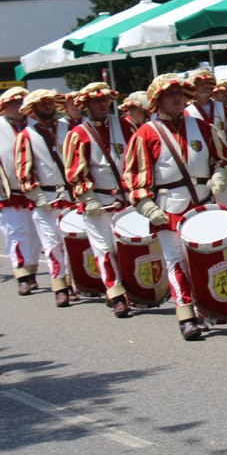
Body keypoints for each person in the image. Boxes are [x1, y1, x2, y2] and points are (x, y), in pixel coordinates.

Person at [122, 74, 227, 340]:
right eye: (170, 95)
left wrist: (219, 174)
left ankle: (208, 307)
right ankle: (186, 315)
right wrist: (146, 205)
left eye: (179, 94)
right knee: (176, 260)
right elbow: (134, 175)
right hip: (167, 207)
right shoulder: (145, 134)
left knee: (205, 258)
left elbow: (222, 159)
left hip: (203, 203)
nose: (176, 99)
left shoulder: (203, 127)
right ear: (157, 101)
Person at [62, 83, 132, 317]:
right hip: (97, 202)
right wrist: (88, 197)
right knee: (103, 249)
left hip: (126, 199)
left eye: (104, 100)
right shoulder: (77, 135)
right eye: (96, 101)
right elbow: (74, 173)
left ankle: (136, 289)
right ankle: (115, 293)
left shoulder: (124, 125)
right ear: (86, 105)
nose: (102, 105)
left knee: (126, 247)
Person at [15, 89, 75, 307]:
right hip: (46, 199)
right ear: (33, 110)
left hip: (72, 196)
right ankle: (60, 287)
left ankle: (74, 283)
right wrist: (38, 196)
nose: (48, 107)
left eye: (49, 103)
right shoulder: (26, 137)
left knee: (72, 244)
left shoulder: (69, 130)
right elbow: (24, 172)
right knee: (52, 245)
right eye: (42, 105)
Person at [0, 87, 39, 296]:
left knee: (34, 234)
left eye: (20, 104)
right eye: (13, 104)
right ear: (4, 108)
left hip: (36, 189)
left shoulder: (34, 126)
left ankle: (31, 272)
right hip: (9, 190)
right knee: (16, 232)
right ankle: (21, 275)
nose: (17, 108)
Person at [185, 69, 227, 210]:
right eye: (201, 84)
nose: (206, 87)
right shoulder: (186, 113)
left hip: (225, 171)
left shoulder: (223, 109)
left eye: (208, 83)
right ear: (193, 88)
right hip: (200, 175)